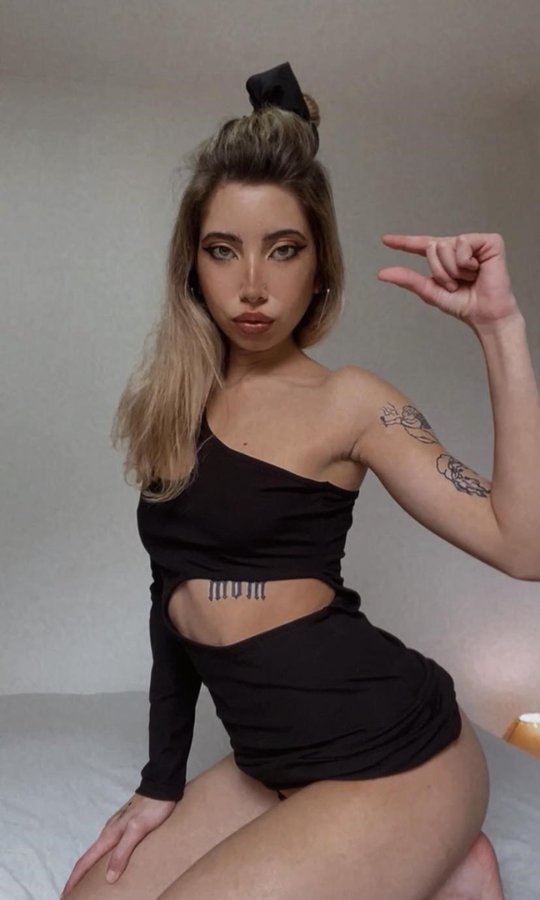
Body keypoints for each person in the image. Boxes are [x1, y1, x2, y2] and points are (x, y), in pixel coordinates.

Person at [60, 61, 517, 899]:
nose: (253, 286)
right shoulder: (174, 405)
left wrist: (500, 329)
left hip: (396, 749)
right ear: (192, 266)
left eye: (284, 250)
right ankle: (448, 869)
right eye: (223, 251)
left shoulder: (352, 402)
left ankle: (435, 837)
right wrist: (160, 780)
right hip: (272, 756)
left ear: (320, 265)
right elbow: (172, 598)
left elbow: (523, 545)